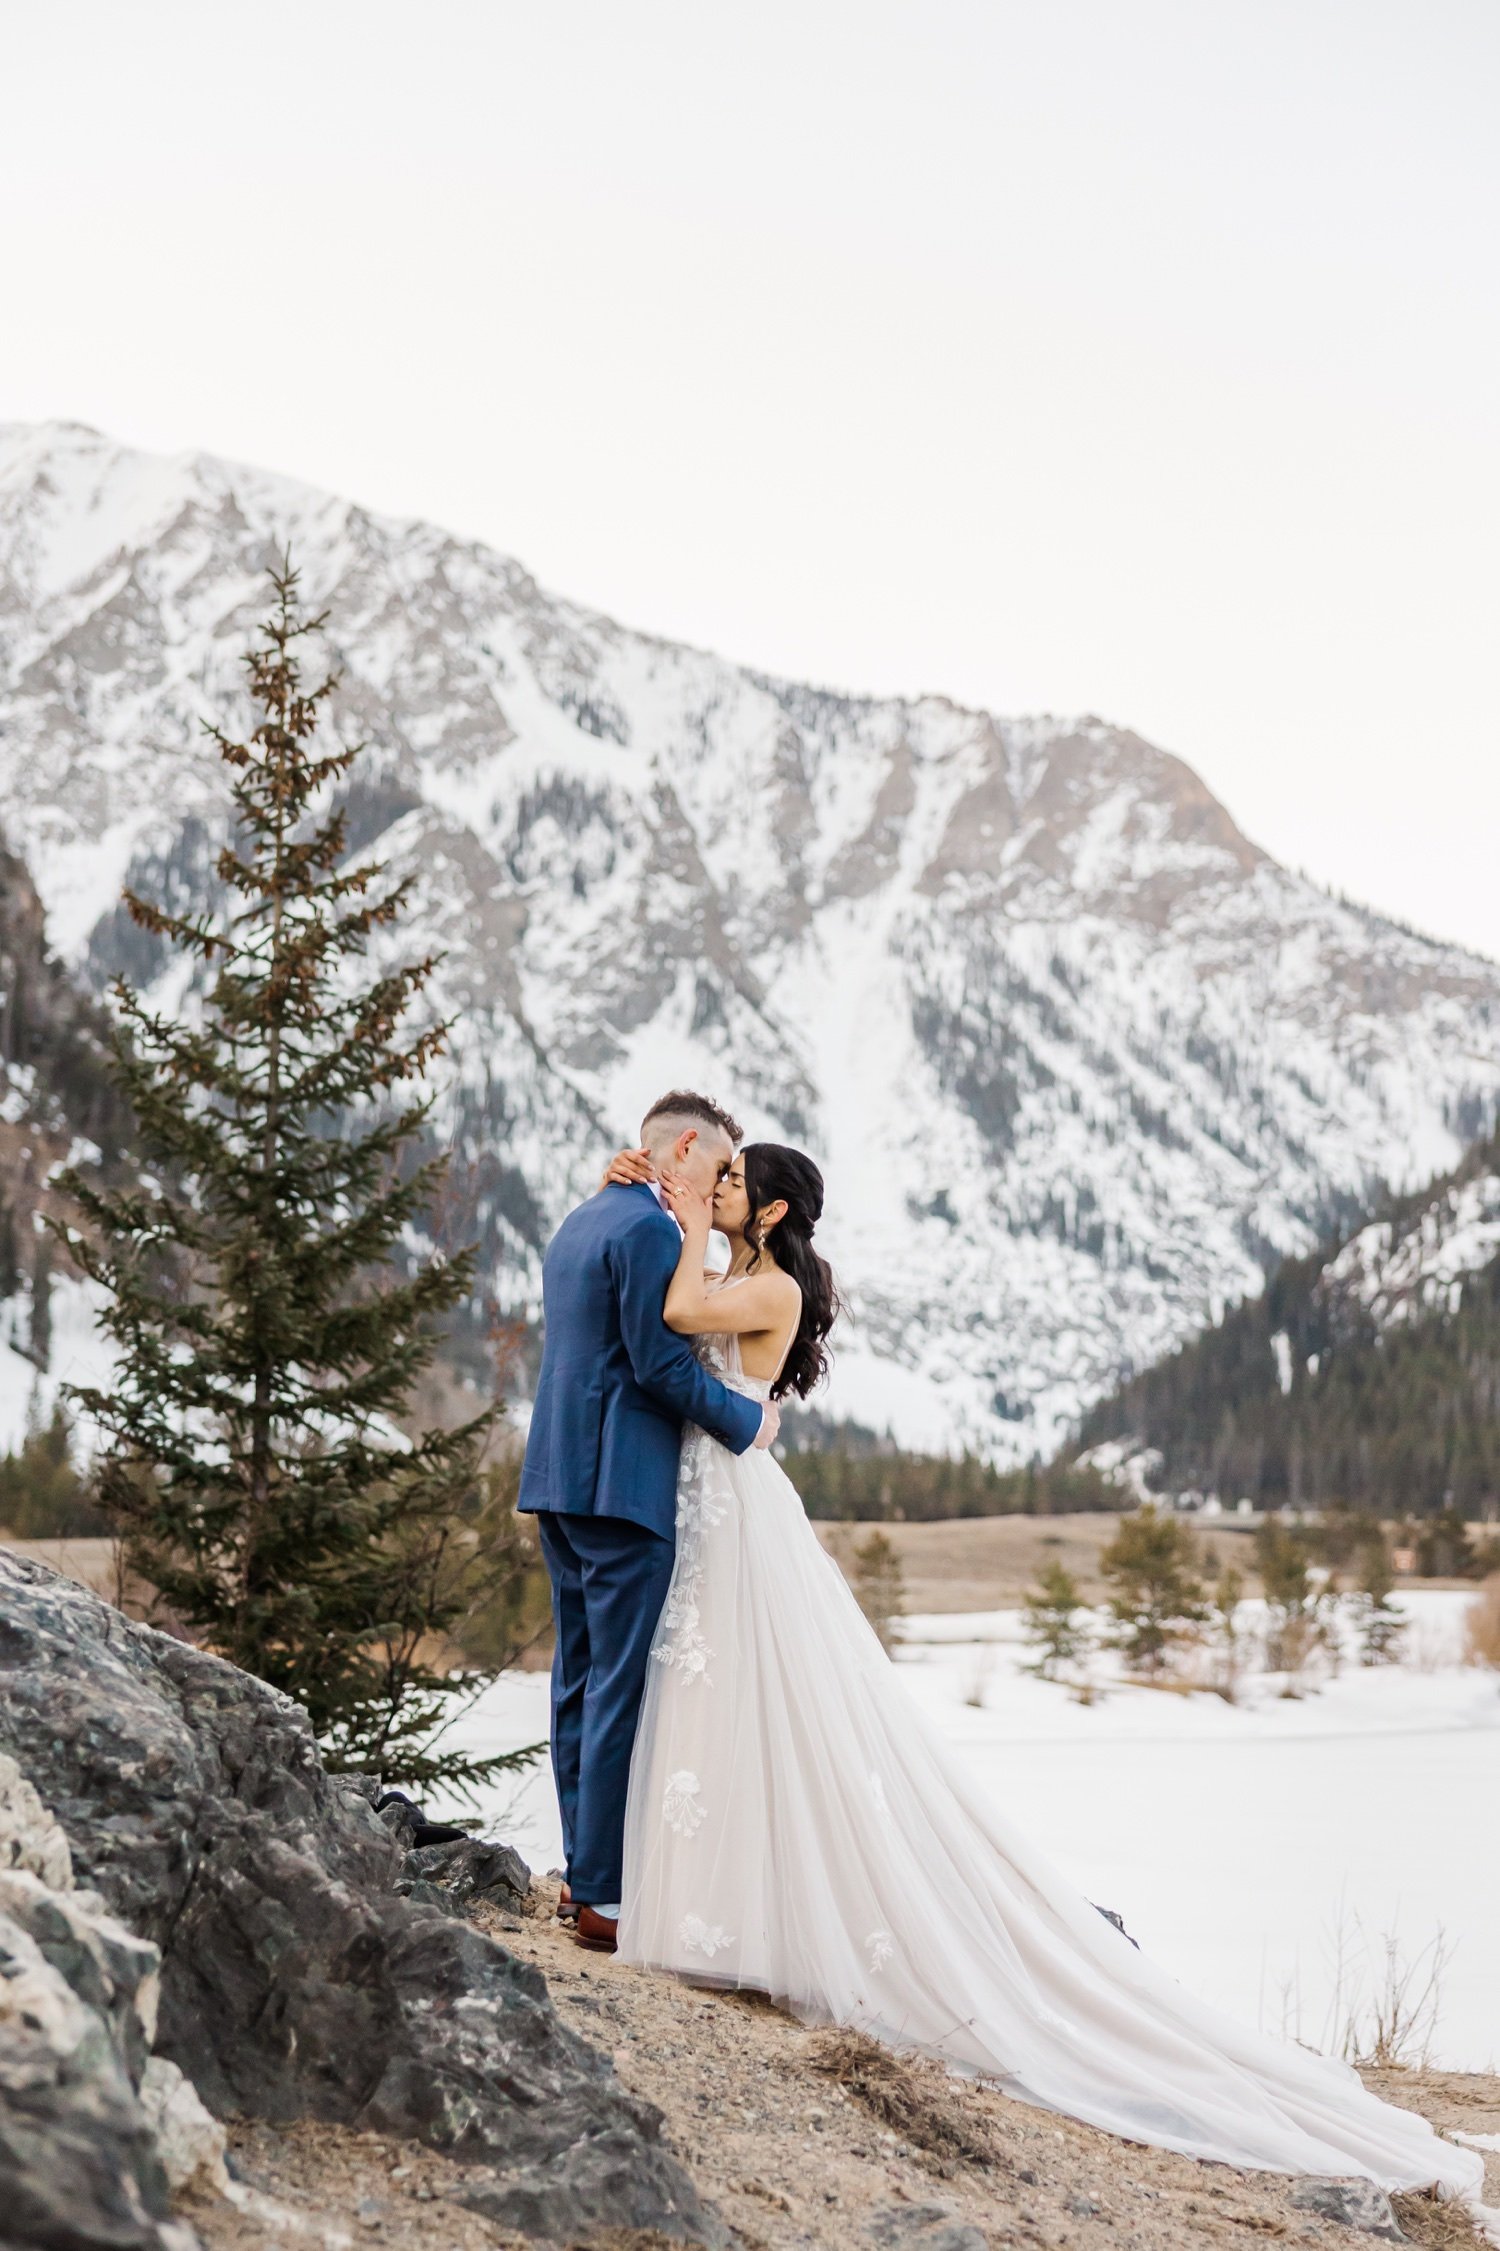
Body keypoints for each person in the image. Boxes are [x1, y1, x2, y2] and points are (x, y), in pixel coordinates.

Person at [593, 1136, 1488, 2218]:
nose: (721, 1188)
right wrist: (666, 1202)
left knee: (753, 1693)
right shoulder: (744, 1267)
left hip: (737, 1507)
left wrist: (686, 1216)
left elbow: (680, 1312)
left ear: (773, 1213)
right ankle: (715, 1909)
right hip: (705, 1495)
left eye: (736, 1181)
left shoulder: (769, 1284)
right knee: (711, 1698)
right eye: (721, 1178)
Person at [518, 1091, 780, 1952]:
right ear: (687, 1146)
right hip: (621, 1487)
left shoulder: (583, 1218)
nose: (724, 1183)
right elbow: (659, 1364)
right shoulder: (650, 1232)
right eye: (721, 1165)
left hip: (559, 1477)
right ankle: (601, 1894)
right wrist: (747, 1421)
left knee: (578, 1680)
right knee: (618, 1689)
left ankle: (580, 1875)